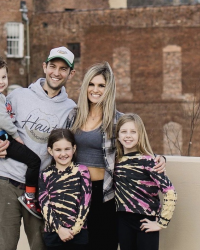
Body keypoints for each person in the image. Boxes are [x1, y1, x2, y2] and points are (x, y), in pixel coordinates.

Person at [0, 46, 76, 250]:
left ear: (70, 73)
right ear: (44, 67)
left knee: (41, 246)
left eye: (63, 69)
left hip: (42, 190)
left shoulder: (71, 110)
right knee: (4, 246)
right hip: (6, 183)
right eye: (52, 66)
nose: (56, 73)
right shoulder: (18, 96)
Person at [66, 62, 166, 250]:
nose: (95, 90)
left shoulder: (117, 120)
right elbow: (61, 148)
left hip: (106, 193)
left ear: (109, 89)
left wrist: (159, 158)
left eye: (101, 85)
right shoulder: (73, 116)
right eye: (92, 84)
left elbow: (137, 145)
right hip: (77, 191)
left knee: (104, 243)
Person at [0, 55, 42, 219]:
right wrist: (15, 135)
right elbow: (2, 119)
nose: (1, 81)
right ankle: (30, 197)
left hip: (1, 135)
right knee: (34, 161)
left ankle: (29, 195)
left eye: (3, 77)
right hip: (3, 138)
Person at [114, 113, 177, 250]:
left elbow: (170, 192)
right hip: (123, 221)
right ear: (118, 136)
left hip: (145, 221)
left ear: (140, 135)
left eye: (133, 132)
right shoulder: (115, 161)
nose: (128, 135)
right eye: (124, 132)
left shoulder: (149, 161)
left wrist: (161, 223)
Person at [39, 129, 92, 250]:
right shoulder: (45, 175)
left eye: (67, 149)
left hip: (78, 234)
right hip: (53, 233)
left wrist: (75, 229)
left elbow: (86, 202)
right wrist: (60, 229)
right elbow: (44, 204)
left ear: (74, 148)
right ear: (50, 151)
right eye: (58, 150)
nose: (63, 154)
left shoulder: (82, 171)